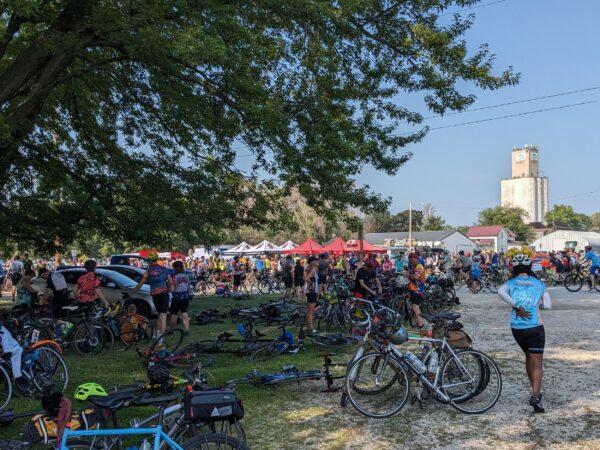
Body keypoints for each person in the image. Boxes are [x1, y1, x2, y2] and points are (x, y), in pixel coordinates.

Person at [498, 249, 551, 413]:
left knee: (528, 357)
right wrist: (536, 305)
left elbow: (500, 292)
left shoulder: (511, 283)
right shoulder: (540, 283)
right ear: (530, 267)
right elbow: (548, 305)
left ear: (514, 267)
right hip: (535, 327)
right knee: (537, 362)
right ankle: (536, 396)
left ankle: (534, 389)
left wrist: (516, 305)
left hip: (517, 327)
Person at [132, 252, 173, 338]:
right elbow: (170, 282)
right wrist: (169, 289)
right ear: (156, 260)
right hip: (164, 294)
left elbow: (140, 284)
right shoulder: (164, 269)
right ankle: (161, 337)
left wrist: (133, 291)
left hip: (155, 295)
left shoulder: (148, 271)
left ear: (149, 261)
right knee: (163, 316)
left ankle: (158, 334)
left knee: (159, 315)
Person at [170, 260, 191, 334]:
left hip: (176, 297)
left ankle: (171, 330)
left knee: (174, 314)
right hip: (185, 296)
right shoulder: (186, 276)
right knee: (185, 313)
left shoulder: (174, 277)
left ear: (175, 268)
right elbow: (188, 287)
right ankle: (187, 330)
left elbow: (172, 288)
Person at [405, 252, 426, 328]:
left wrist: (408, 275)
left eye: (410, 260)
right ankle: (420, 322)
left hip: (418, 289)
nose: (410, 262)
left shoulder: (419, 266)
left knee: (415, 306)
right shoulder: (415, 266)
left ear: (414, 259)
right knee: (416, 306)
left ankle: (420, 324)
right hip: (416, 288)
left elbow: (416, 277)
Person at [305, 256, 320, 333]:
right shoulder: (312, 270)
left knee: (309, 311)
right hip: (312, 292)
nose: (318, 266)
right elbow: (306, 279)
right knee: (311, 311)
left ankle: (308, 327)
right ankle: (310, 329)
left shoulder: (310, 269)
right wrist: (311, 283)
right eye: (317, 265)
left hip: (310, 291)